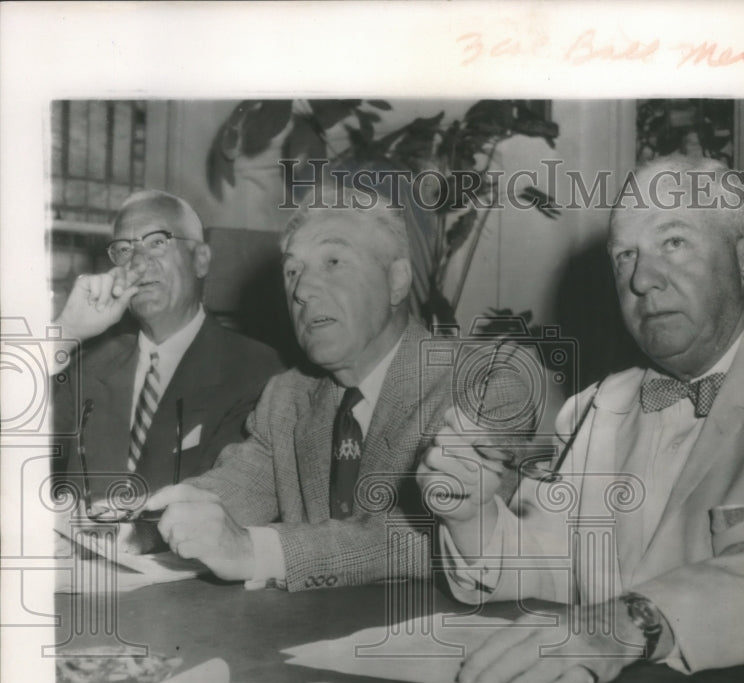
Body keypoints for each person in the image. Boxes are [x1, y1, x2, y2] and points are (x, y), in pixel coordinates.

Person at [418, 154, 744, 683]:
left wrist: (627, 623)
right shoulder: (598, 405)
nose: (641, 278)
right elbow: (551, 571)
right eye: (625, 255)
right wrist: (471, 513)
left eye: (673, 242)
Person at [145, 192, 535, 591]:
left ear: (397, 281)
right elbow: (241, 487)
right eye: (293, 272)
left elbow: (437, 536)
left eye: (333, 262)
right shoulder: (287, 396)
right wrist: (150, 515)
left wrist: (254, 551)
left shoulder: (485, 382)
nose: (302, 290)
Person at [52, 189, 283, 504]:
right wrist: (66, 332)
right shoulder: (88, 365)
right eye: (122, 249)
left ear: (200, 259)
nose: (138, 262)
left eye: (157, 242)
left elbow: (233, 500)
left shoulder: (256, 370)